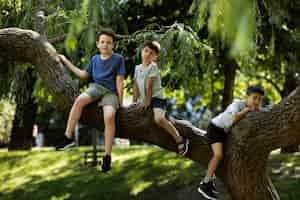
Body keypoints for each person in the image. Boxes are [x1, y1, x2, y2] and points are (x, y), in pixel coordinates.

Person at [56, 28, 126, 172]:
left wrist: (121, 102)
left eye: (109, 43)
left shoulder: (118, 59)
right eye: (103, 42)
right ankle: (68, 137)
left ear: (113, 45)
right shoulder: (94, 59)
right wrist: (65, 61)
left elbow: (120, 81)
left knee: (109, 116)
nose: (105, 45)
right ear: (98, 44)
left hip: (110, 92)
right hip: (96, 88)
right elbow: (83, 75)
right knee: (79, 100)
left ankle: (107, 157)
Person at [197, 84, 265, 200]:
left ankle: (210, 183)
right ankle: (205, 183)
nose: (257, 101)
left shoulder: (254, 109)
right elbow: (234, 118)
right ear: (247, 97)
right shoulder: (238, 104)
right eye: (255, 97)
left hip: (225, 132)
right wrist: (247, 110)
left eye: (259, 99)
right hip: (215, 129)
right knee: (218, 155)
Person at [131, 40, 189, 155]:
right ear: (141, 51)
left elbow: (149, 86)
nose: (148, 54)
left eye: (151, 53)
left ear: (155, 57)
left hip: (157, 99)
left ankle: (179, 139)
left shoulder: (153, 67)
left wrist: (147, 102)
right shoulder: (137, 68)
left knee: (159, 119)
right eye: (146, 51)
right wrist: (134, 101)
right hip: (144, 99)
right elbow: (136, 85)